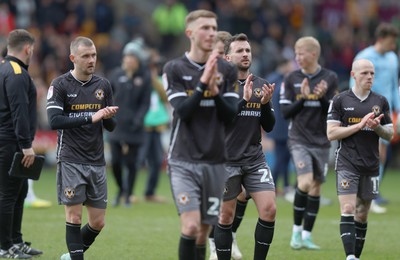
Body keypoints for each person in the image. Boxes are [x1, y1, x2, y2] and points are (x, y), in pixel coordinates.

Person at [163, 9, 239, 260]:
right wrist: (203, 84)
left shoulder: (227, 70)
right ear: (190, 33)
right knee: (191, 226)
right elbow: (183, 112)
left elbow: (230, 115)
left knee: (204, 230)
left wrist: (215, 92)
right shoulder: (174, 68)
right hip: (183, 160)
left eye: (213, 28)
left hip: (216, 161)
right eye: (205, 28)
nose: (211, 33)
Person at [46, 36, 118, 260]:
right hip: (70, 159)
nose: (91, 60)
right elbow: (54, 120)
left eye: (94, 55)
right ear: (72, 58)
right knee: (74, 218)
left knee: (98, 222)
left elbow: (110, 127)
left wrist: (108, 116)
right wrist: (91, 117)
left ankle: (71, 255)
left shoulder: (103, 85)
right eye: (86, 56)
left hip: (96, 161)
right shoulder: (60, 85)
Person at [213, 33, 276, 260]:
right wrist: (243, 101)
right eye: (240, 51)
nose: (245, 54)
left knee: (269, 210)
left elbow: (268, 126)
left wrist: (266, 105)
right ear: (228, 57)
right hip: (226, 160)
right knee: (225, 217)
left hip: (254, 158)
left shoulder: (261, 85)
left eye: (248, 50)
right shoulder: (219, 84)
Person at [327, 59, 393, 260]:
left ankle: (356, 255)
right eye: (365, 73)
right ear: (354, 75)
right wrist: (359, 125)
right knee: (348, 208)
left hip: (371, 164)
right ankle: (350, 257)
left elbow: (390, 134)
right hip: (347, 162)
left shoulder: (380, 101)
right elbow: (331, 133)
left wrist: (377, 128)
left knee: (362, 213)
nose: (370, 77)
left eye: (372, 73)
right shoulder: (340, 100)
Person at [280, 36, 338, 250]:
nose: (297, 58)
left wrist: (321, 98)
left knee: (315, 188)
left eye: (300, 53)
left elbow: (332, 112)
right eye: (296, 54)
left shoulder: (329, 77)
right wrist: (303, 98)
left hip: (321, 140)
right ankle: (295, 233)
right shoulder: (291, 78)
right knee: (304, 182)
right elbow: (285, 112)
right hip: (299, 139)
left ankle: (307, 235)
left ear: (313, 54)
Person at [0, 29, 43, 259]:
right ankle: (5, 246)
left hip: (9, 140)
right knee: (8, 194)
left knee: (19, 192)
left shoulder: (4, 68)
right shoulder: (16, 72)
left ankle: (16, 241)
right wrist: (26, 145)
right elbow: (19, 112)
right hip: (12, 142)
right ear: (28, 48)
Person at [349, 22, 400, 213]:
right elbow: (352, 83)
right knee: (368, 153)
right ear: (381, 39)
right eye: (391, 41)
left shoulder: (393, 58)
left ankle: (372, 193)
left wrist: (398, 111)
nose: (393, 45)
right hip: (365, 110)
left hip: (385, 112)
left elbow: (394, 85)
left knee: (382, 154)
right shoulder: (364, 57)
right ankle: (365, 193)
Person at [107, 39, 152, 207]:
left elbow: (145, 103)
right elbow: (107, 96)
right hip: (116, 125)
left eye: (133, 57)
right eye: (127, 57)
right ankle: (121, 189)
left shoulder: (145, 77)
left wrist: (139, 119)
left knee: (132, 163)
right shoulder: (116, 75)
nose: (129, 60)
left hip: (135, 127)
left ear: (138, 60)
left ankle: (128, 195)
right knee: (116, 162)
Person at [136, 49, 170, 203]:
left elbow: (165, 97)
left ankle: (150, 192)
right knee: (137, 160)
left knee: (157, 160)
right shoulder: (139, 80)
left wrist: (153, 78)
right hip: (143, 125)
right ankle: (127, 191)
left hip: (157, 125)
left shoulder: (160, 80)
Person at [266, 57, 295, 201]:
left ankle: (283, 186)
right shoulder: (276, 80)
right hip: (280, 126)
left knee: (285, 158)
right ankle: (275, 186)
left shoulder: (279, 79)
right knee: (280, 158)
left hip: (284, 125)